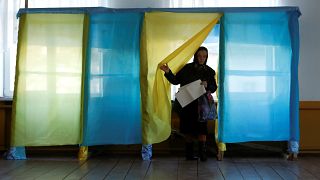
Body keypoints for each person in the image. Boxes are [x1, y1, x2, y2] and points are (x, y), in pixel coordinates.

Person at [160, 46, 217, 161]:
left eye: (204, 56)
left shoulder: (210, 71)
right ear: (195, 56)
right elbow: (176, 81)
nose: (202, 58)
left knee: (202, 130)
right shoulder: (186, 68)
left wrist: (208, 86)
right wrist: (168, 72)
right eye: (199, 56)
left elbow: (214, 87)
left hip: (201, 106)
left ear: (206, 57)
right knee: (188, 130)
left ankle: (203, 154)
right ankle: (189, 155)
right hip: (187, 104)